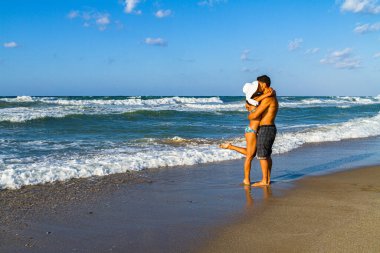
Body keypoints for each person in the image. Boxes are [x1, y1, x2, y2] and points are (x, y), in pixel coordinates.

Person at [220, 80, 275, 186]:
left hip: (254, 130)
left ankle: (230, 147)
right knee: (250, 156)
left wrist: (269, 93)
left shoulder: (254, 99)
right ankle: (246, 179)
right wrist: (268, 93)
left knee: (251, 154)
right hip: (251, 130)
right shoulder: (252, 101)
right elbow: (260, 101)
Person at [248, 75, 278, 187]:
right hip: (269, 128)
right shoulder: (268, 96)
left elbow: (254, 115)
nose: (257, 87)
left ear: (264, 84)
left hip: (266, 128)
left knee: (262, 155)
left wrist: (250, 114)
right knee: (267, 155)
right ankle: (267, 179)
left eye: (259, 84)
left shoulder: (268, 99)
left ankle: (264, 180)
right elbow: (252, 100)